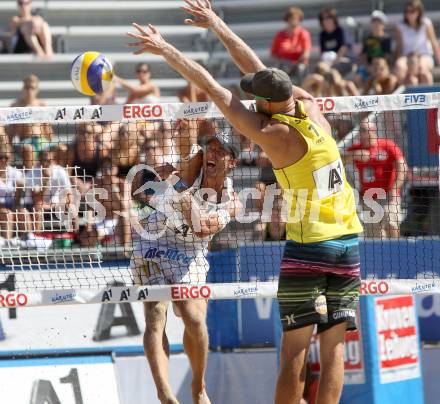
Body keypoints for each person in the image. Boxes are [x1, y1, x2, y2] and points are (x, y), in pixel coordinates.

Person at [127, 2, 363, 404]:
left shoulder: (274, 134)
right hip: (349, 242)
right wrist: (217, 23)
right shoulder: (310, 107)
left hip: (311, 246)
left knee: (294, 349)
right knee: (335, 345)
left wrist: (166, 49)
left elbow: (217, 91)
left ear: (268, 106)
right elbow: (262, 72)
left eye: (256, 99)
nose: (251, 101)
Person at [130, 132, 240, 404]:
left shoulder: (232, 201)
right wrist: (185, 125)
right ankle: (164, 392)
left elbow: (201, 228)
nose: (212, 154)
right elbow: (186, 146)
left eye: (220, 151)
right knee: (155, 314)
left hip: (190, 252)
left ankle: (198, 386)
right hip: (155, 241)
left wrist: (177, 187)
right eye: (209, 148)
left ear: (232, 163)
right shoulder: (194, 167)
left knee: (193, 318)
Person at [344, 119, 407, 238]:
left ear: (374, 130)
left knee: (391, 224)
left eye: (366, 130)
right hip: (369, 198)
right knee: (375, 237)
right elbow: (339, 157)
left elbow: (402, 166)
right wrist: (355, 154)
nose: (363, 133)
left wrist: (394, 188)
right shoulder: (356, 149)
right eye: (361, 130)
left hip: (388, 195)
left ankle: (398, 250)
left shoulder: (387, 145)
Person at [394, 0, 440, 85]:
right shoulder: (400, 26)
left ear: (419, 12)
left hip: (424, 55)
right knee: (399, 66)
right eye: (407, 11)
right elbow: (399, 46)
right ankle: (403, 95)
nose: (409, 14)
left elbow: (434, 43)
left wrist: (439, 61)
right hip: (407, 56)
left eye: (412, 11)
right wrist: (399, 60)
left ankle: (429, 97)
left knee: (424, 71)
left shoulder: (426, 23)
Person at [271, 7, 311, 81]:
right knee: (277, 71)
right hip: (284, 65)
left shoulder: (304, 34)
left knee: (301, 69)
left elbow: (306, 54)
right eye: (291, 18)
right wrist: (281, 62)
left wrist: (294, 64)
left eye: (296, 19)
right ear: (287, 20)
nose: (294, 21)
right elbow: (273, 54)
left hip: (298, 65)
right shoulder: (280, 35)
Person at [356, 10, 392, 86]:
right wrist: (367, 66)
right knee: (358, 77)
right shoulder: (367, 39)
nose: (376, 24)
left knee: (380, 76)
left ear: (383, 24)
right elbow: (364, 55)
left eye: (378, 22)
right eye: (374, 21)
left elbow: (387, 56)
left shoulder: (386, 39)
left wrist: (377, 67)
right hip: (369, 66)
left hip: (381, 67)